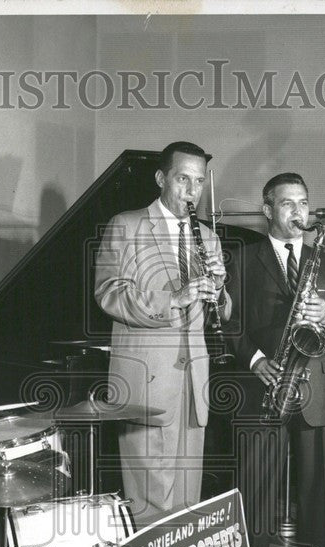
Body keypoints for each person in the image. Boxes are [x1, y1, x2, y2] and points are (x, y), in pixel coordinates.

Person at [228, 173, 325, 547]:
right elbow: (228, 324)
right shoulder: (242, 259)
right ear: (267, 209)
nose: (297, 212)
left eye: (303, 203)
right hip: (264, 383)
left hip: (316, 386)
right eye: (287, 204)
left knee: (317, 484)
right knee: (257, 482)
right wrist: (254, 361)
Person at [94, 141, 229, 525]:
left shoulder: (209, 236)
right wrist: (174, 297)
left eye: (199, 181)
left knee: (189, 497)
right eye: (182, 178)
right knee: (151, 499)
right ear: (161, 178)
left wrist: (218, 286)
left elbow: (222, 310)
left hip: (193, 381)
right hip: (147, 380)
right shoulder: (127, 224)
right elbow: (108, 293)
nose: (191, 190)